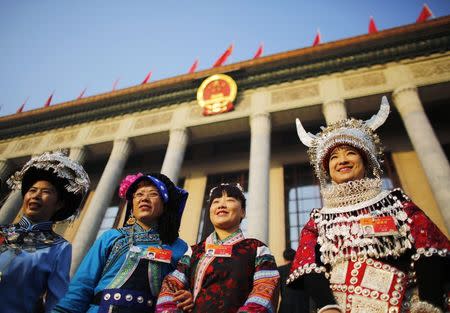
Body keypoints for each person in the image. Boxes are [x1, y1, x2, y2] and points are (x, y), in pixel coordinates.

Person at [286, 96, 450, 313]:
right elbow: (308, 266)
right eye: (333, 157)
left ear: (366, 161)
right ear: (327, 169)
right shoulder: (318, 219)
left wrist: (429, 305)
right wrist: (328, 306)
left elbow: (429, 250)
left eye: (351, 153)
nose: (342, 160)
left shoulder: (396, 203)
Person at [53, 172, 193, 313]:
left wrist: (189, 296)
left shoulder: (179, 247)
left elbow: (186, 287)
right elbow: (82, 285)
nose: (144, 198)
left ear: (165, 205)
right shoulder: (111, 237)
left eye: (153, 194)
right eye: (139, 194)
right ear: (132, 205)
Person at [156, 183, 280, 313]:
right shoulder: (194, 251)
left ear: (243, 212)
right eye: (216, 201)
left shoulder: (257, 248)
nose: (221, 205)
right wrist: (181, 299)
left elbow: (267, 285)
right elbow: (171, 285)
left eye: (230, 200)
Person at [0, 151, 90, 313]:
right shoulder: (2, 232)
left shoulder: (59, 247)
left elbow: (56, 301)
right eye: (32, 190)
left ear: (59, 204)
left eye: (46, 192)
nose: (36, 196)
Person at [277, 248, 309, 313]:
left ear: (284, 258)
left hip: (286, 305)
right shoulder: (303, 269)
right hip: (302, 305)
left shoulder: (280, 270)